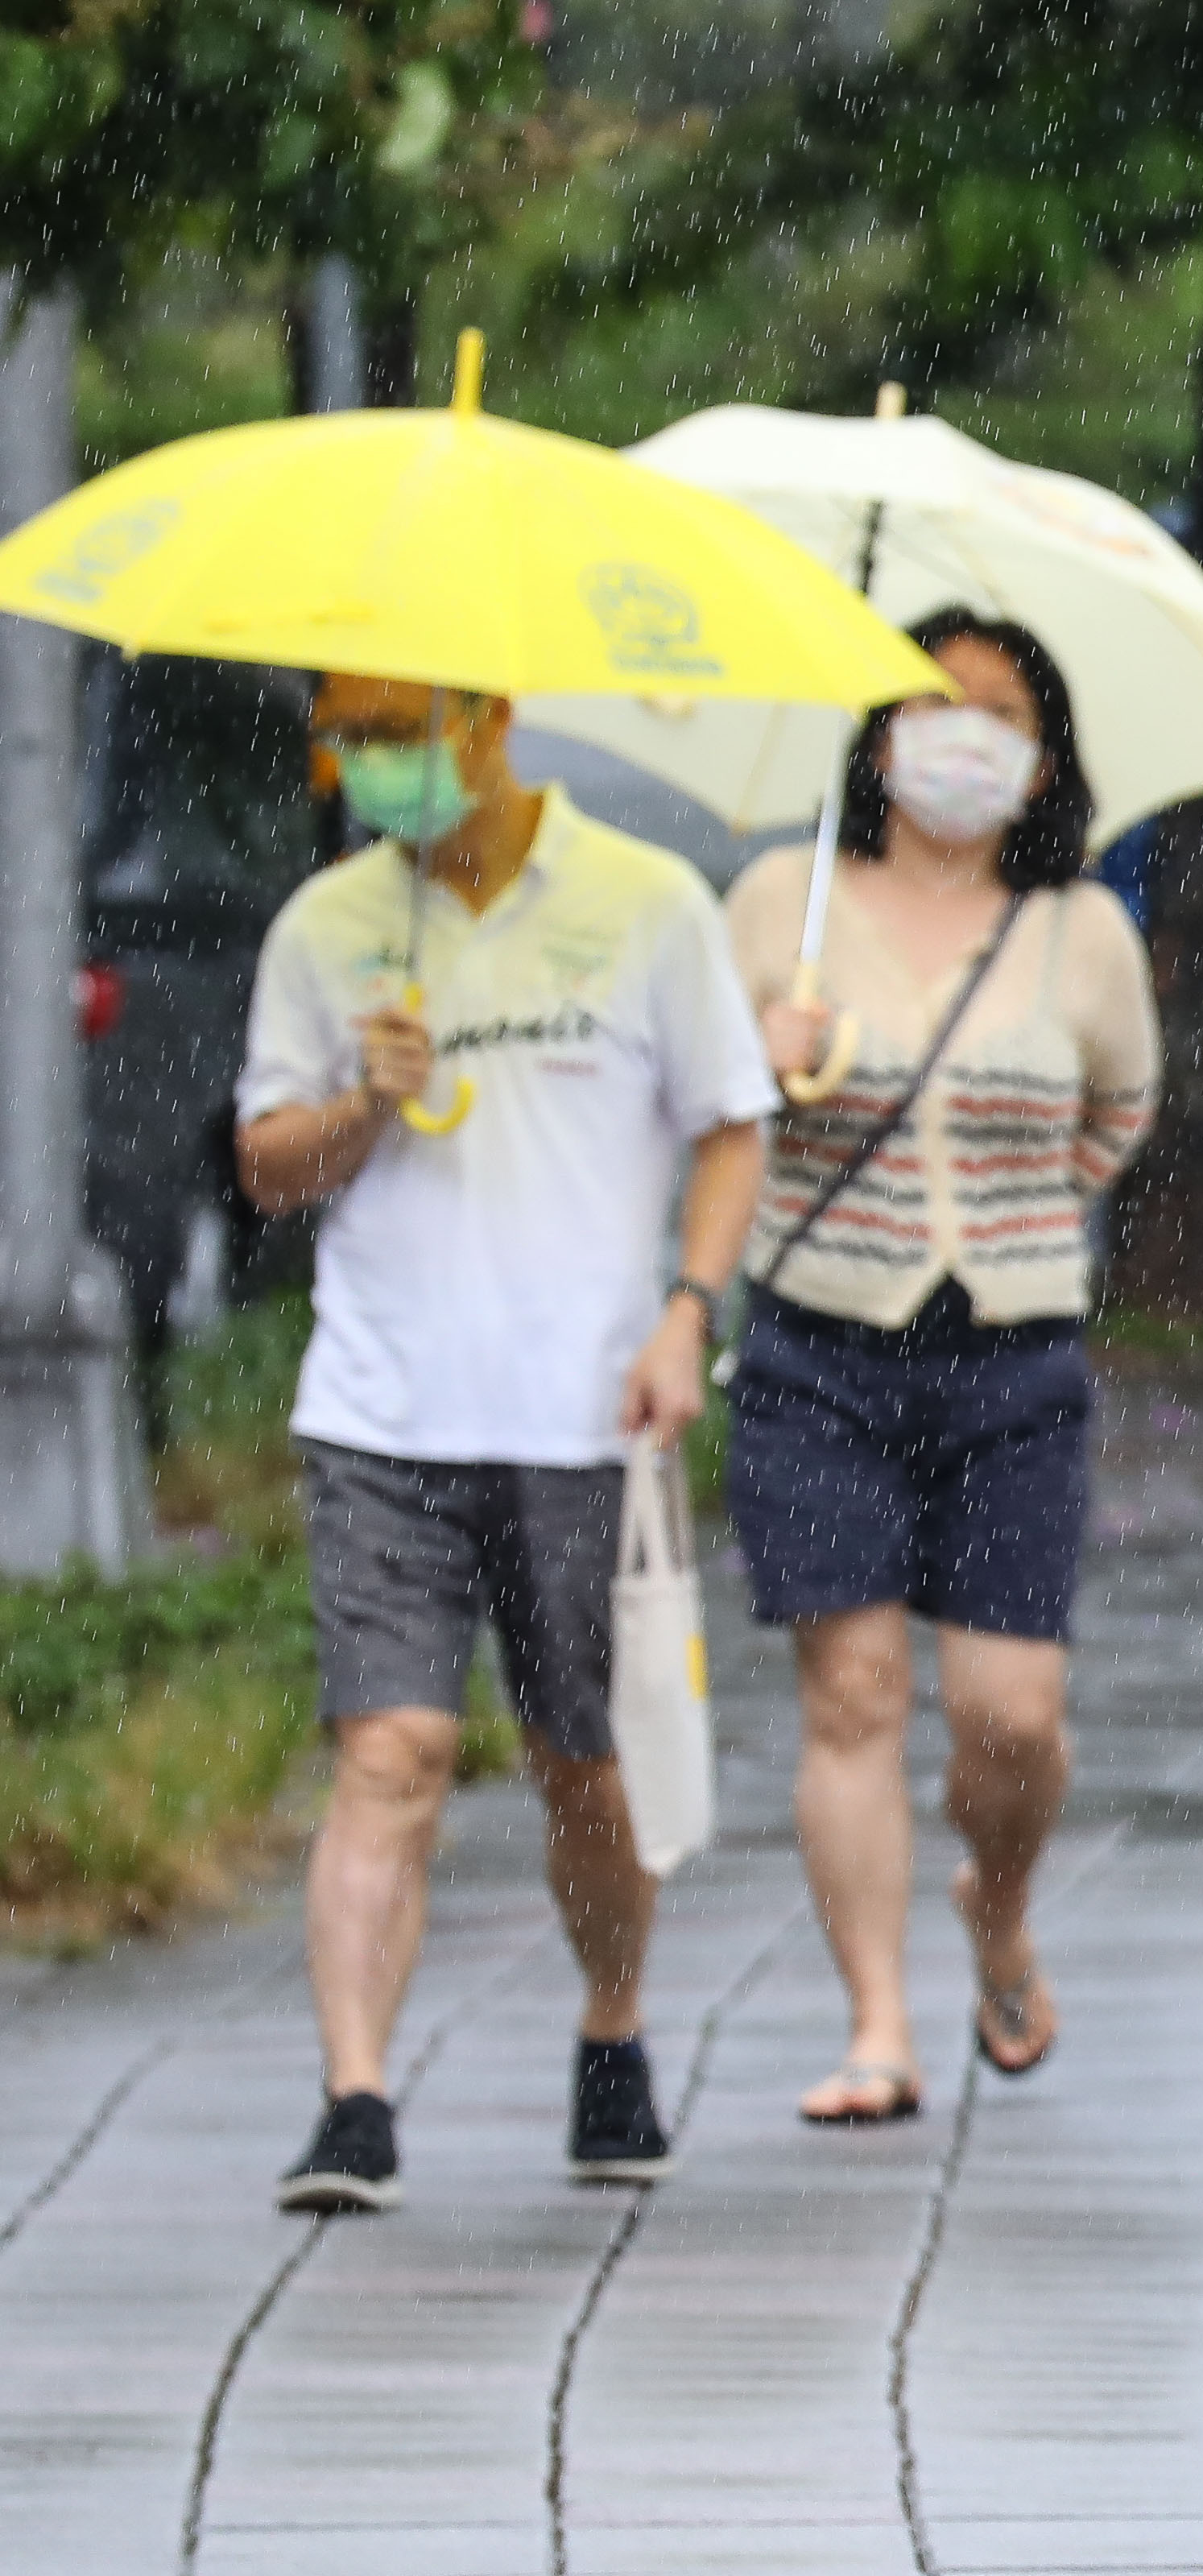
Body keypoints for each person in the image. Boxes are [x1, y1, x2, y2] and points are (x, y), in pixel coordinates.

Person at [242, 679, 773, 2213]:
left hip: (580, 1413)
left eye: (402, 727)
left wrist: (687, 1309)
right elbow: (267, 1162)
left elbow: (732, 1117)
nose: (378, 764)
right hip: (383, 1408)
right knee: (390, 1749)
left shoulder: (644, 901)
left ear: (487, 716)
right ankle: (354, 2098)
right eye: (351, 734)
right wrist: (361, 1104)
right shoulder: (325, 927)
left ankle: (612, 2030)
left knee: (582, 1767)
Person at [721, 610, 1157, 2127]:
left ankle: (1000, 1902)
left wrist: (1013, 1223)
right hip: (817, 1346)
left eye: (1000, 715)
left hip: (1013, 1361)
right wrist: (754, 1052)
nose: (962, 738)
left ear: (1041, 763)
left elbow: (1117, 1118)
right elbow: (713, 1120)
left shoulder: (1083, 933)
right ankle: (876, 2025)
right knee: (849, 1692)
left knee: (1009, 1714)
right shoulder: (788, 899)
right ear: (877, 732)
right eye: (932, 706)